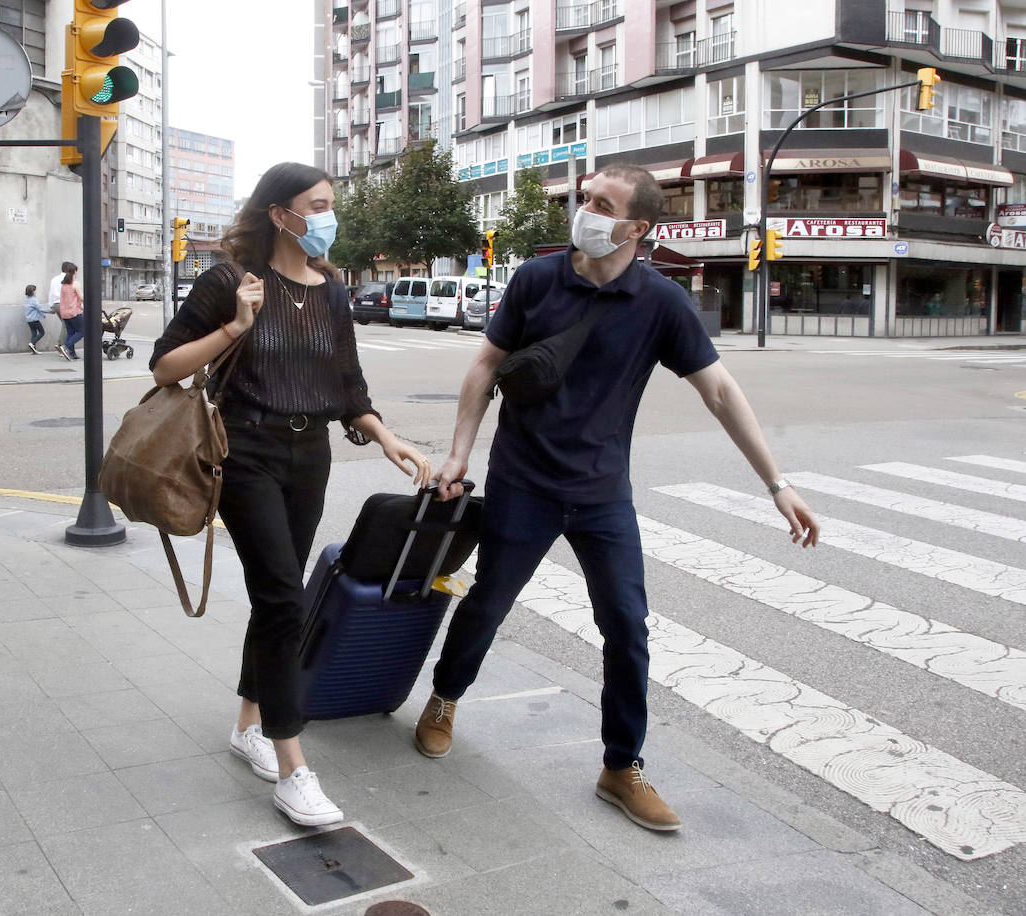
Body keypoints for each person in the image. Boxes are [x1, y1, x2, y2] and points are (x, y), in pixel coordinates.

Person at [421, 164, 821, 833]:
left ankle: (620, 766)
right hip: (524, 480)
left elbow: (720, 392)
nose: (585, 211)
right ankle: (444, 697)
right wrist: (460, 451)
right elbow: (485, 365)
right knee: (488, 602)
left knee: (627, 628)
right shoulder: (536, 280)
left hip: (603, 492)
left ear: (638, 227)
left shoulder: (660, 303)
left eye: (602, 204)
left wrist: (777, 484)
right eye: (584, 200)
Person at [150, 162, 432, 827]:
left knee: (278, 598)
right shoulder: (230, 282)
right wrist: (233, 327)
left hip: (311, 456)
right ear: (281, 214)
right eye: (319, 205)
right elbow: (164, 365)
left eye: (332, 205)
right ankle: (292, 766)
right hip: (244, 452)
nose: (329, 217)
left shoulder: (332, 292)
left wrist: (386, 437)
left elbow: (348, 385)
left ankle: (248, 721)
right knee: (283, 597)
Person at [56, 264, 85, 360]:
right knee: (82, 331)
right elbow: (82, 298)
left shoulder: (63, 284)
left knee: (70, 333)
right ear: (74, 272)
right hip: (74, 312)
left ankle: (72, 354)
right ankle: (66, 346)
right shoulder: (75, 284)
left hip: (64, 313)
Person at [48, 260, 72, 349]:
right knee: (66, 324)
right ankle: (61, 345)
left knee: (65, 324)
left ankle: (64, 345)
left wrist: (51, 305)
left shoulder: (54, 279)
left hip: (55, 304)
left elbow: (51, 293)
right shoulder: (68, 279)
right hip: (64, 304)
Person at [23, 284, 49, 353]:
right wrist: (50, 311)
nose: (36, 292)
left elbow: (36, 309)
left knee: (34, 334)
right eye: (35, 291)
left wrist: (43, 315)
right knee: (42, 332)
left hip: (29, 320)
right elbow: (40, 308)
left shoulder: (26, 299)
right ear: (32, 292)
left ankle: (33, 349)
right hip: (34, 320)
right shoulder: (34, 300)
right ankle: (32, 343)